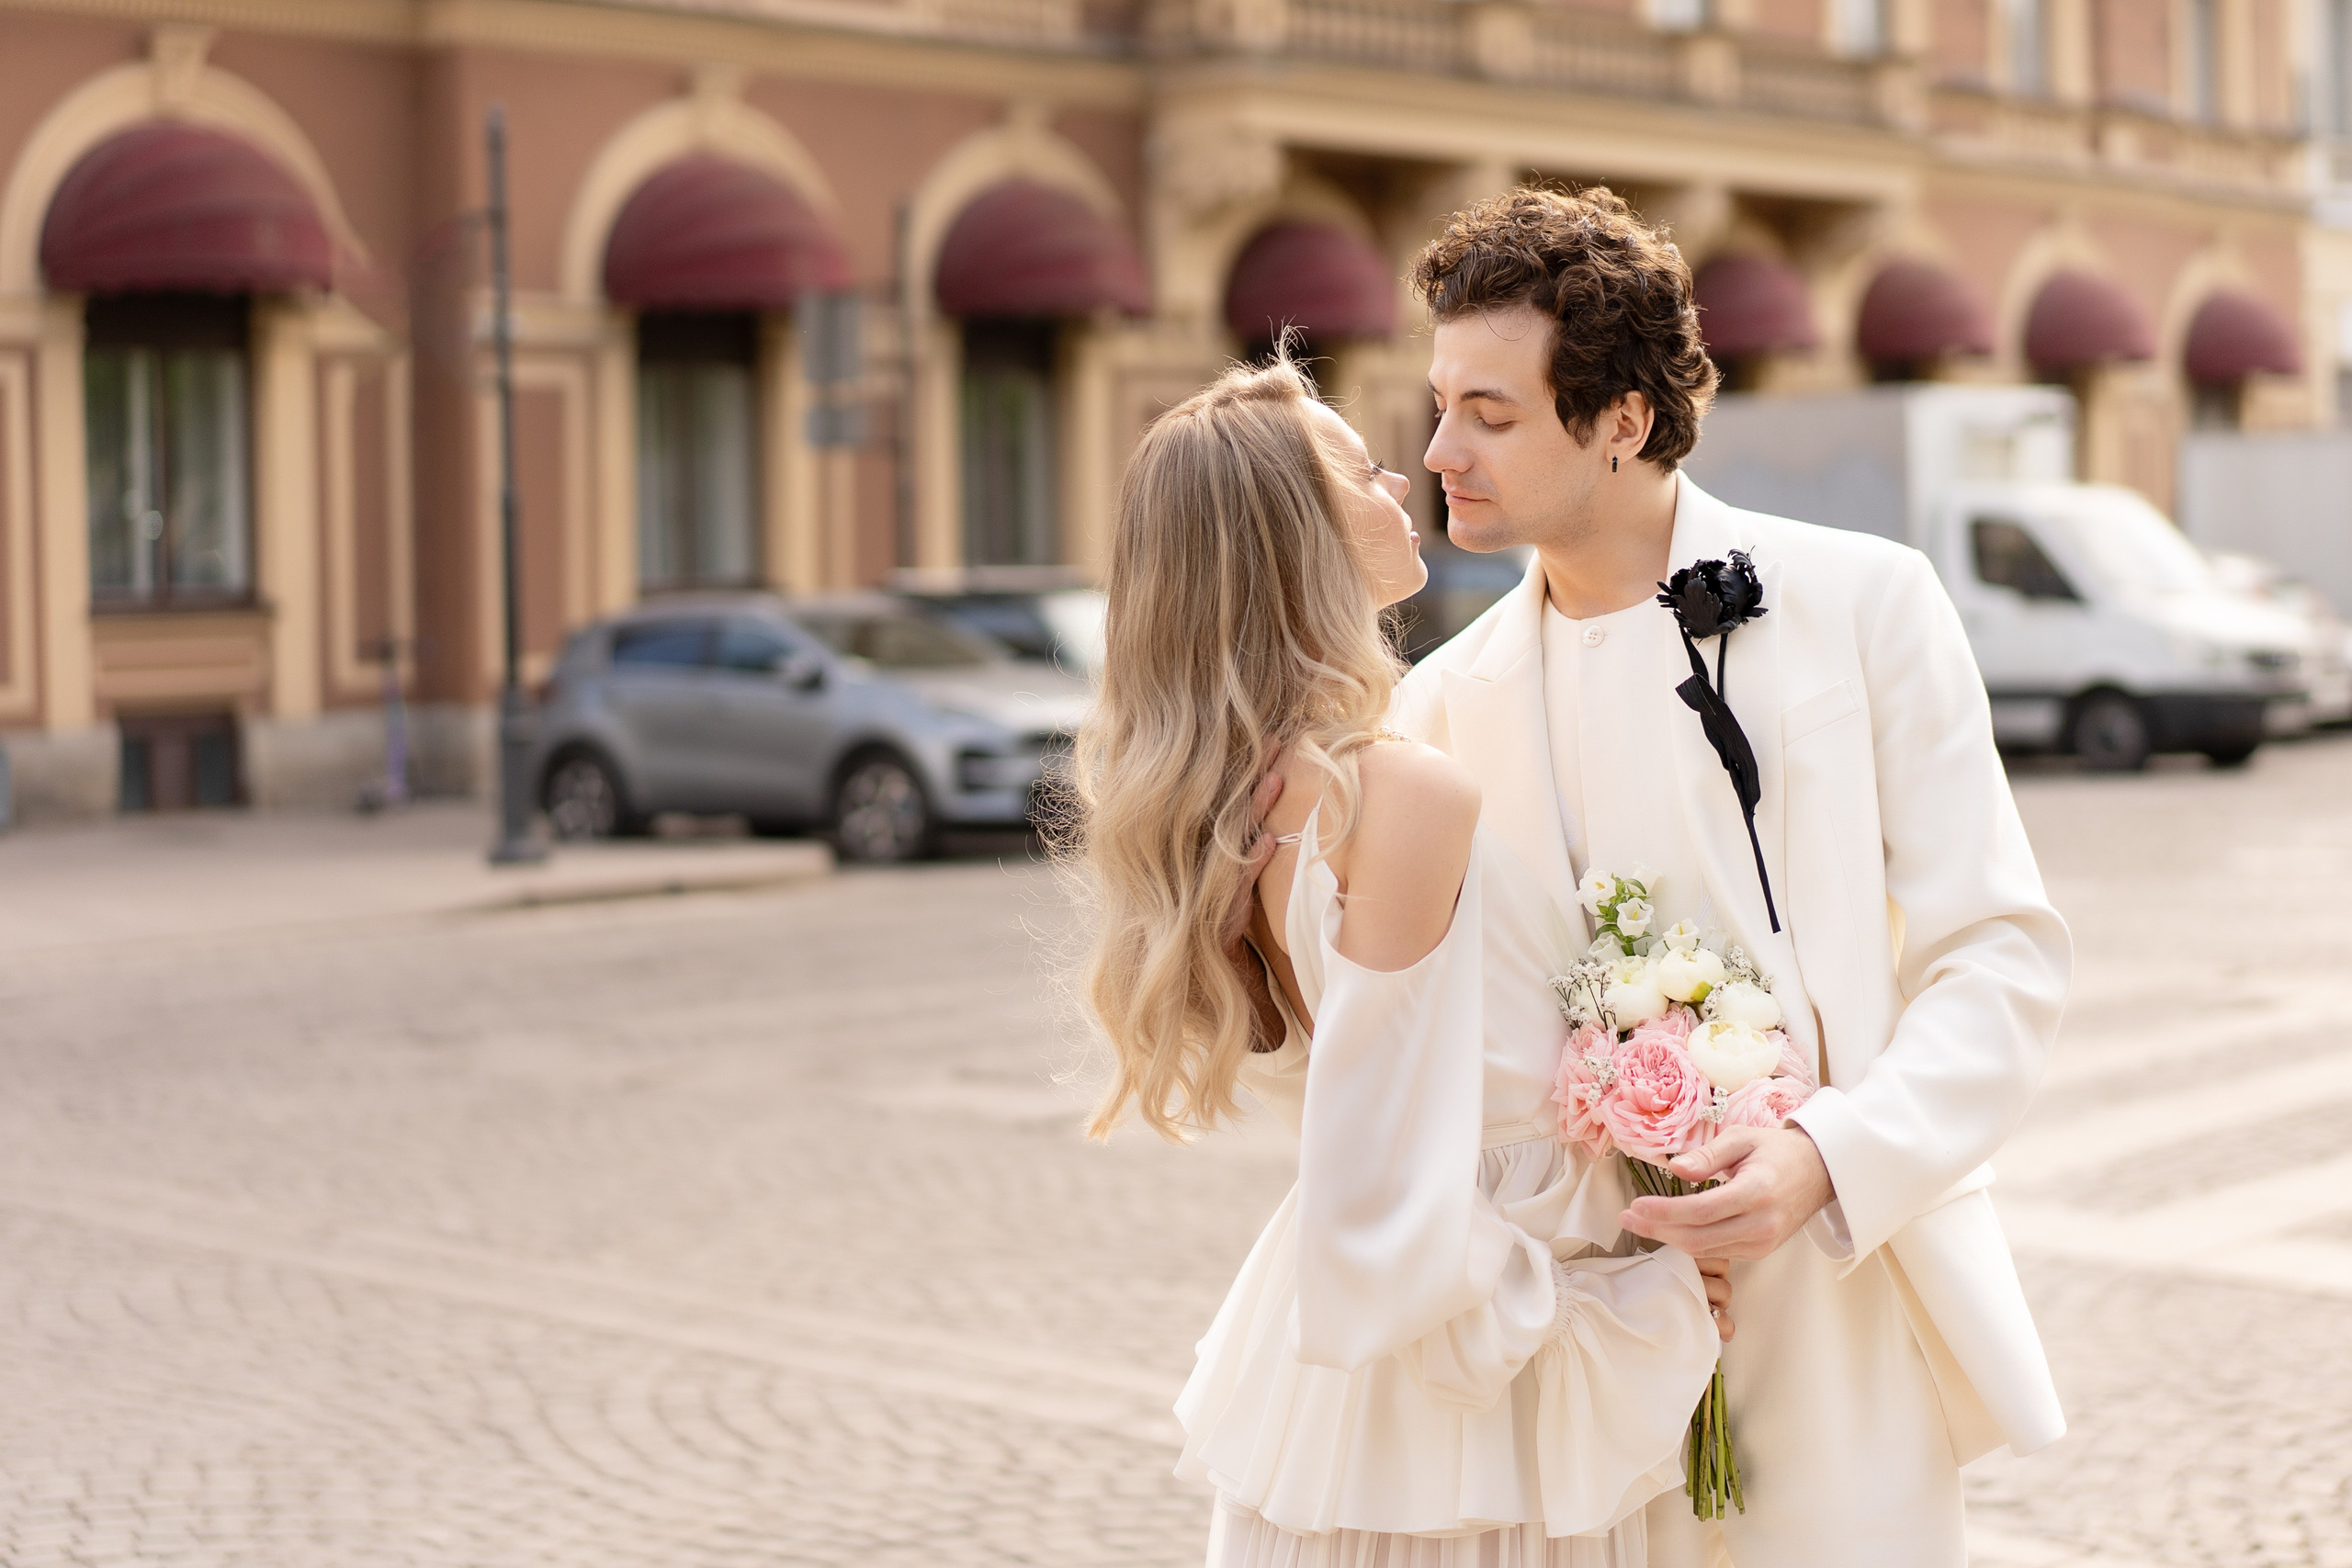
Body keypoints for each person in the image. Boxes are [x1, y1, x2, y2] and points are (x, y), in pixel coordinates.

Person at [1368, 185, 2074, 1566]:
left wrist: (1831, 1157)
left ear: (1622, 421)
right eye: (1440, 406)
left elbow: (2000, 952)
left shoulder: (1867, 604)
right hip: (1579, 1350)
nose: (1441, 450)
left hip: (1842, 1296)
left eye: (1491, 414)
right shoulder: (1436, 707)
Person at [1066, 353, 1731, 1567]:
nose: (1404, 477)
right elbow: (1382, 1195)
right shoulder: (1390, 790)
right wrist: (1639, 1311)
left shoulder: (1260, 793)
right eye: (1363, 469)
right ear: (1296, 535)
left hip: (1369, 1391)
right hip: (1468, 1386)